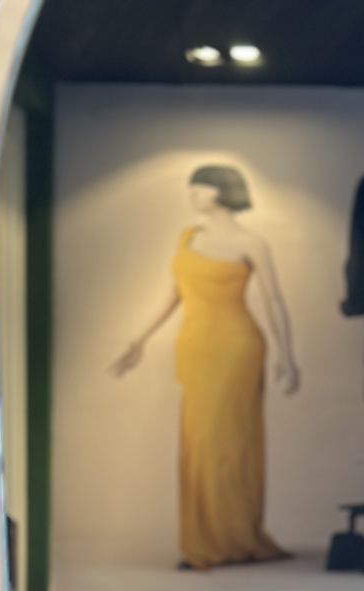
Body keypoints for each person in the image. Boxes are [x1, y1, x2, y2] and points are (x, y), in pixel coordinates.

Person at [109, 163, 298, 569]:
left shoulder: (252, 243)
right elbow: (173, 295)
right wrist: (138, 341)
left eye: (200, 188)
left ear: (221, 191)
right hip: (196, 349)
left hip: (237, 348)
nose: (193, 195)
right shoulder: (188, 237)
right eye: (192, 188)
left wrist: (287, 355)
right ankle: (203, 539)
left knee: (231, 443)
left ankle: (233, 538)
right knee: (199, 443)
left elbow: (274, 300)